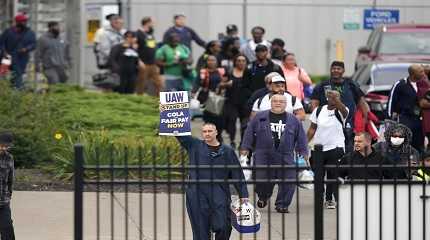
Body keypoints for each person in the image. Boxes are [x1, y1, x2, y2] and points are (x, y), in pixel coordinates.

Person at [176, 123, 249, 240]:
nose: (207, 134)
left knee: (223, 226)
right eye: (204, 131)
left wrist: (243, 194)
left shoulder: (227, 151)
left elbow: (237, 174)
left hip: (219, 193)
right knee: (200, 231)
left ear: (216, 133)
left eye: (210, 131)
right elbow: (180, 134)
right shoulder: (194, 146)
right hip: (197, 193)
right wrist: (165, 112)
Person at [241, 93, 308, 213]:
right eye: (275, 101)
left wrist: (303, 152)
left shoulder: (293, 119)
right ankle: (263, 196)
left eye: (281, 101)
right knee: (262, 179)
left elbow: (301, 137)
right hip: (263, 154)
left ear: (285, 104)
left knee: (289, 180)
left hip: (286, 154)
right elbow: (249, 131)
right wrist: (245, 147)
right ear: (270, 103)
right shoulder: (260, 117)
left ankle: (282, 204)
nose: (278, 103)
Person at [311, 61, 370, 152]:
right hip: (329, 124)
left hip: (349, 124)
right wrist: (317, 118)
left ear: (343, 70)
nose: (336, 70)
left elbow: (362, 103)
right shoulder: (322, 86)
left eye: (338, 68)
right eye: (333, 68)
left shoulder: (351, 85)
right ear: (330, 70)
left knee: (348, 151)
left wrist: (367, 119)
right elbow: (314, 103)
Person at [307, 90, 348, 209]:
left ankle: (329, 199)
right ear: (326, 98)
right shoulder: (319, 110)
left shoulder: (341, 110)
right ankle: (320, 195)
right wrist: (304, 144)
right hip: (318, 148)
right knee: (318, 175)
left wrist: (337, 100)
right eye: (331, 97)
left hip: (336, 147)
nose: (333, 99)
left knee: (332, 174)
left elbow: (344, 112)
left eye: (336, 97)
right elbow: (312, 129)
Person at [388, 64, 426, 153]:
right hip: (405, 118)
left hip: (421, 119)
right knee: (405, 144)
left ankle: (419, 164)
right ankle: (404, 164)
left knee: (419, 145)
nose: (423, 73)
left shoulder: (424, 84)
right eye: (420, 72)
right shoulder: (401, 84)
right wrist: (389, 117)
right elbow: (391, 101)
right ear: (413, 74)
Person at [192, 55, 227, 141]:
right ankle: (209, 138)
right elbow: (196, 83)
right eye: (209, 60)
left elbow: (228, 80)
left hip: (219, 100)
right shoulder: (203, 72)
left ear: (217, 61)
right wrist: (193, 92)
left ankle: (218, 136)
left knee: (220, 120)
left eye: (213, 60)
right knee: (209, 120)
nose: (211, 62)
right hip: (207, 99)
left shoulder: (221, 71)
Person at [0, 14, 36, 89]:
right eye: (22, 21)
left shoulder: (30, 33)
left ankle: (16, 92)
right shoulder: (8, 31)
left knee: (18, 76)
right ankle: (5, 91)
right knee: (2, 75)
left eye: (25, 21)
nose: (25, 23)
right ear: (17, 22)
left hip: (21, 59)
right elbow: (1, 43)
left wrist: (26, 49)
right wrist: (4, 52)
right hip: (6, 58)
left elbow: (33, 44)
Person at [222, 54, 249, 148]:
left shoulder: (249, 72)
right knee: (231, 121)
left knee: (244, 123)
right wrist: (226, 84)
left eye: (243, 61)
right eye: (239, 60)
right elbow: (221, 84)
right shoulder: (229, 72)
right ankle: (232, 141)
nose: (241, 62)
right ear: (235, 62)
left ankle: (243, 142)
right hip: (231, 101)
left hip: (245, 102)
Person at [135, 17, 162, 96]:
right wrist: (139, 61)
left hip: (153, 63)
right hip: (144, 64)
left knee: (159, 84)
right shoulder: (138, 34)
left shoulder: (150, 34)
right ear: (147, 23)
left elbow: (152, 47)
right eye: (152, 23)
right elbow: (135, 49)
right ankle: (139, 101)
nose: (153, 25)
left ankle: (158, 103)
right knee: (142, 84)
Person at [0, 131, 15, 240]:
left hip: (3, 201)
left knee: (7, 229)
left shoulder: (9, 158)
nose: (4, 148)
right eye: (2, 145)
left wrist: (8, 195)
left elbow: (11, 179)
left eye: (7, 146)